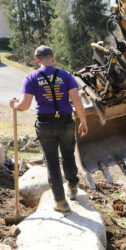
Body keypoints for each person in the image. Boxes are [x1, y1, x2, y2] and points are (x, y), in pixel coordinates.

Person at [9, 45, 88, 212]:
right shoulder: (65, 75)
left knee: (52, 163)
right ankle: (73, 188)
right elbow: (77, 101)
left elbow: (24, 106)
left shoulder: (31, 77)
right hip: (66, 122)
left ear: (37, 60)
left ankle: (60, 202)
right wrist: (84, 122)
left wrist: (14, 104)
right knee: (68, 155)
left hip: (45, 125)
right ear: (52, 58)